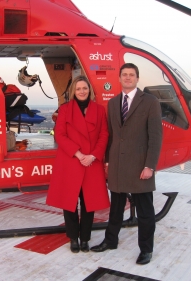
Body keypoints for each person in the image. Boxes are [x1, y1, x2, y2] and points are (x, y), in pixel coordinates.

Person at [90, 63, 162, 265]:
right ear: (119, 79)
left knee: (146, 213)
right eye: (124, 75)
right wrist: (108, 160)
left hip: (140, 168)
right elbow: (110, 136)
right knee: (115, 209)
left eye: (132, 75)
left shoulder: (150, 102)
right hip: (118, 167)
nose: (128, 78)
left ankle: (146, 250)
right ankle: (111, 240)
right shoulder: (113, 103)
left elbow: (155, 137)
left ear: (137, 79)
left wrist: (150, 166)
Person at [46, 75, 110, 253]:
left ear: (89, 90)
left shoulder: (99, 110)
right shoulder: (65, 110)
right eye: (79, 88)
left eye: (85, 88)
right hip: (71, 160)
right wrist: (79, 153)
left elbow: (104, 135)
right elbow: (59, 135)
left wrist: (94, 155)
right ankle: (73, 238)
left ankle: (85, 239)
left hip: (91, 162)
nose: (82, 91)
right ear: (74, 91)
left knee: (89, 203)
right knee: (70, 202)